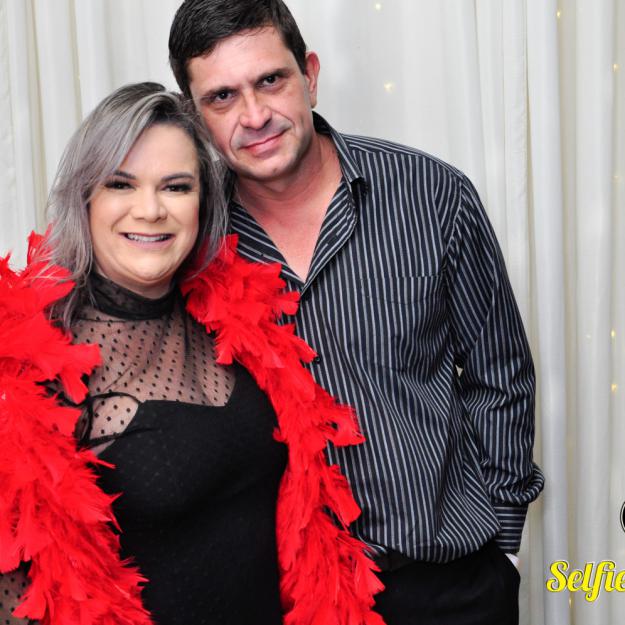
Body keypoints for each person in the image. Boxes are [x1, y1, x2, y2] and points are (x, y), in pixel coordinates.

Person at [168, 1, 545, 624]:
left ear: (310, 75)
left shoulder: (432, 195)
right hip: (289, 602)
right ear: (195, 116)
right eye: (222, 97)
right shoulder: (187, 240)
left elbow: (500, 373)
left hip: (449, 584)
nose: (254, 116)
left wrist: (503, 541)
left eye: (271, 80)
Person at [0, 82, 383, 625]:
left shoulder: (234, 322)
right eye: (121, 184)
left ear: (203, 203)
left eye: (176, 187)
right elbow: (21, 599)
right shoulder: (30, 372)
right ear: (85, 198)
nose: (150, 210)